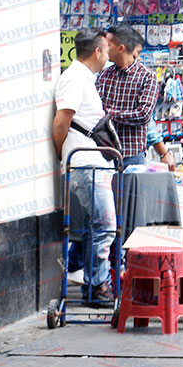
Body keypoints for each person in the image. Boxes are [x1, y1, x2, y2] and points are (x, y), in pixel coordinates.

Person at [52, 28, 116, 305]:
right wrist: (63, 155)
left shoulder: (83, 78)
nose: (109, 56)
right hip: (86, 165)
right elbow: (61, 122)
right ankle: (98, 286)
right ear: (97, 51)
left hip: (93, 165)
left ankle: (95, 284)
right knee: (105, 227)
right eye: (107, 50)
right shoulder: (75, 78)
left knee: (96, 227)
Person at [95, 24, 158, 167]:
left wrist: (109, 114)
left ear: (121, 48)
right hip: (105, 154)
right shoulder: (105, 74)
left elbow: (143, 115)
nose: (104, 49)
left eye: (108, 45)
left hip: (132, 156)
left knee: (130, 190)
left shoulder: (147, 76)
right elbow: (96, 109)